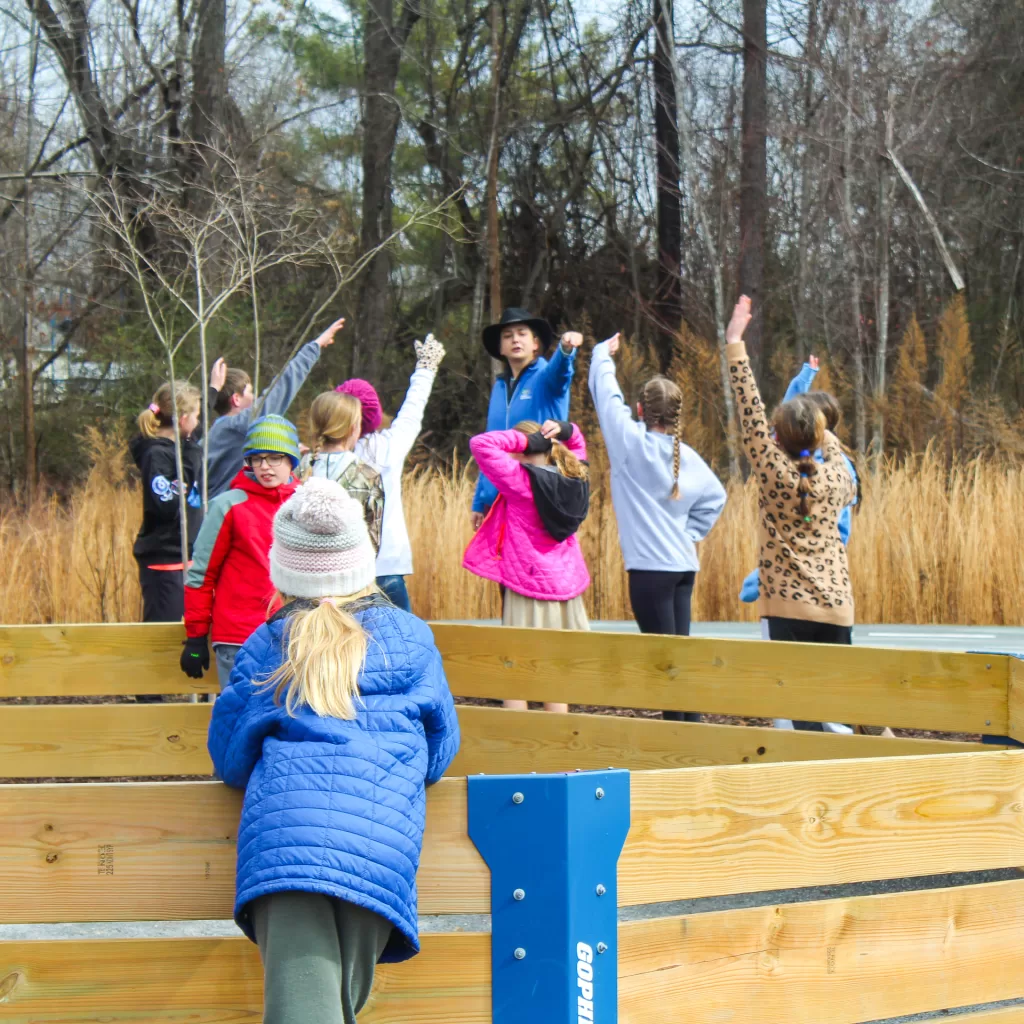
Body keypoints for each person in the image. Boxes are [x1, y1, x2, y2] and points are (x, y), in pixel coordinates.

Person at [207, 477, 460, 1024]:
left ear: (283, 571)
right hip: (380, 851)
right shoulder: (411, 637)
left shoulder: (269, 643)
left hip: (287, 853)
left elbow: (228, 758)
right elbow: (441, 752)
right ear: (361, 562)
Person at [725, 296, 857, 731]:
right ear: (823, 434)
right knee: (836, 714)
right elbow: (817, 438)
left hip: (786, 608)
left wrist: (735, 342)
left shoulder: (773, 471)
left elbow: (750, 415)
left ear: (777, 438)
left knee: (789, 717)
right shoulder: (839, 476)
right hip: (836, 606)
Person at [588, 332, 727, 722]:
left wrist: (602, 354)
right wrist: (689, 534)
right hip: (683, 568)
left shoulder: (630, 443)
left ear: (639, 409)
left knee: (665, 665)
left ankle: (681, 741)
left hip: (650, 571)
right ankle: (691, 735)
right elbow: (717, 497)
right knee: (677, 657)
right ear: (677, 416)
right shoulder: (689, 457)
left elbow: (605, 395)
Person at [463, 418, 590, 714]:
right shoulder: (574, 475)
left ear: (519, 449)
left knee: (516, 669)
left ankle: (519, 745)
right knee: (554, 670)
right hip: (565, 587)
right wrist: (565, 430)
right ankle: (558, 749)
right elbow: (578, 442)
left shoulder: (519, 480)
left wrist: (526, 441)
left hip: (528, 584)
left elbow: (480, 444)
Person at [181, 415, 301, 687]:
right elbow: (201, 575)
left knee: (289, 724)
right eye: (256, 458)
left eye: (274, 457)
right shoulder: (228, 505)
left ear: (291, 460)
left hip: (295, 636)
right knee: (239, 723)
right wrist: (196, 636)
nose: (264, 466)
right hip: (237, 639)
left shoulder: (306, 504)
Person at [336, 334, 446, 611]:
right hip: (387, 568)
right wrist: (426, 368)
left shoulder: (321, 458)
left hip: (341, 573)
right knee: (403, 647)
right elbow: (412, 409)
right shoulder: (386, 448)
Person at [206, 317, 345, 498]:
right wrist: (314, 347)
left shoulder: (217, 432)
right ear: (236, 399)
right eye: (250, 392)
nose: (255, 397)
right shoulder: (235, 427)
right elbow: (279, 391)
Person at [471, 308, 584, 529]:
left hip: (539, 498)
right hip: (498, 501)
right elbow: (490, 445)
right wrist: (479, 501)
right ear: (500, 347)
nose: (515, 339)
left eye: (522, 333)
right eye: (507, 335)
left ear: (535, 343)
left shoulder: (546, 378)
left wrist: (566, 349)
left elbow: (560, 371)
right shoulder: (499, 388)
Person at [130, 382, 203, 635]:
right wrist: (192, 456)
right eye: (196, 416)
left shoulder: (175, 449)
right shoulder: (156, 455)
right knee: (164, 637)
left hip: (183, 559)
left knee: (184, 637)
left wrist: (213, 388)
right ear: (183, 420)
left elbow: (196, 431)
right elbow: (168, 505)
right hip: (165, 563)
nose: (198, 422)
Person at [301, 391, 384, 554]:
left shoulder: (298, 468)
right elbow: (373, 540)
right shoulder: (367, 475)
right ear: (353, 429)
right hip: (348, 573)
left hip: (300, 571)